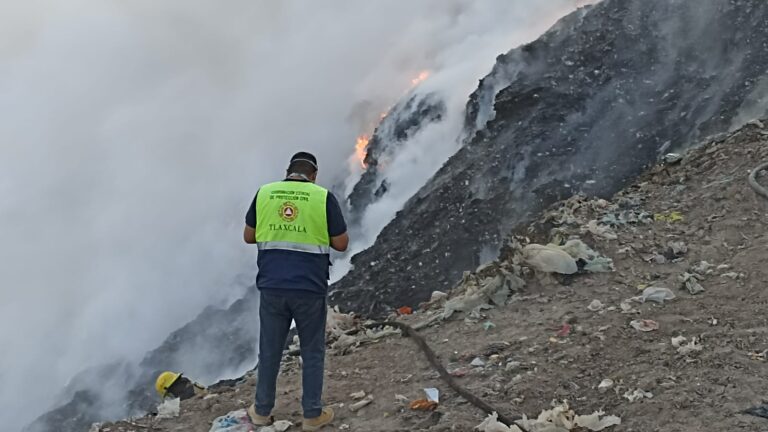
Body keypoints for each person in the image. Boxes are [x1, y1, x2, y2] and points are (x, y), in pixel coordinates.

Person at [243, 152, 348, 431]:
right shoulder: (322, 197)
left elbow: (249, 236)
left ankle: (261, 412)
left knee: (269, 350)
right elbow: (341, 243)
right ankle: (312, 414)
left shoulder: (265, 193)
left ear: (287, 172)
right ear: (313, 175)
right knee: (312, 351)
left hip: (272, 286)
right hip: (308, 288)